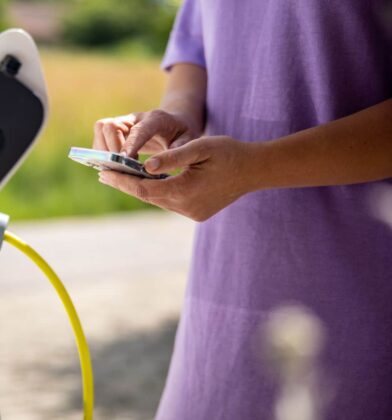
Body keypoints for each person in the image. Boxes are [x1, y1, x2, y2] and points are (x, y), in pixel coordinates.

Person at [92, 1, 392, 419]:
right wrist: (175, 121)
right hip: (223, 302)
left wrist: (257, 167)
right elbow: (194, 55)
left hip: (363, 312)